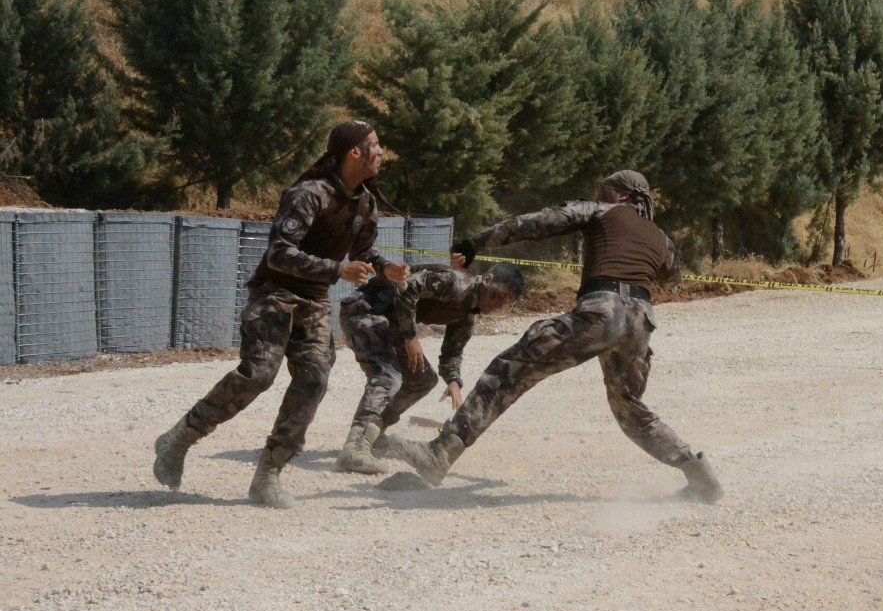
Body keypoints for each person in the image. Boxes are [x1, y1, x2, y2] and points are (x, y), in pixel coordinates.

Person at [383, 170, 723, 503]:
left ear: (623, 196)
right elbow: (672, 276)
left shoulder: (600, 211)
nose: (600, 197)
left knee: (509, 369)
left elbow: (535, 223)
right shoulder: (660, 237)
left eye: (606, 192)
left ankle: (440, 454)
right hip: (640, 322)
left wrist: (476, 243)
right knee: (630, 408)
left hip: (601, 309)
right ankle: (698, 472)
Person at [152, 120, 410, 509]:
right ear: (354, 152)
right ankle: (181, 437)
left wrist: (385, 267)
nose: (382, 153)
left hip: (315, 302)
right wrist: (336, 270)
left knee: (314, 378)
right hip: (275, 293)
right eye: (376, 146)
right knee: (258, 374)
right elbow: (279, 253)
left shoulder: (364, 202)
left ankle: (268, 475)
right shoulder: (309, 194)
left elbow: (362, 250)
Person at [334, 261, 526, 473]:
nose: (496, 304)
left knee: (423, 379)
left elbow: (452, 352)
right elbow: (406, 287)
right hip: (363, 311)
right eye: (496, 296)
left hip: (390, 322)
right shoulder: (457, 283)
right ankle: (354, 447)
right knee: (388, 375)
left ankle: (375, 431)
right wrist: (410, 336)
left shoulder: (469, 315)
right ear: (486, 281)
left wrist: (453, 380)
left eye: (503, 302)